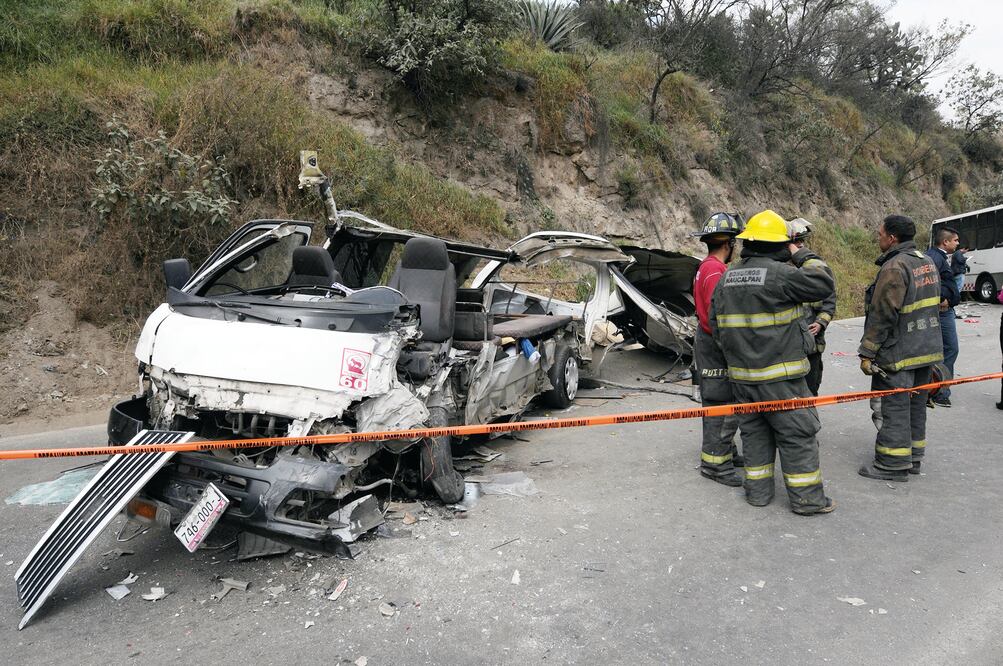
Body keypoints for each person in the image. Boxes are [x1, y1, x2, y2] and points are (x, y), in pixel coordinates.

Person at [710, 209, 836, 515]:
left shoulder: (726, 278)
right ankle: (807, 500)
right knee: (797, 436)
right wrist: (802, 252)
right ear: (781, 243)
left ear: (748, 242)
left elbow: (716, 328)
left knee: (755, 436)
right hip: (783, 381)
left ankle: (758, 493)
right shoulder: (782, 275)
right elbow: (823, 282)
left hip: (742, 381)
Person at [858, 215, 943, 481]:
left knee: (893, 406)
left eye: (880, 234)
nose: (878, 238)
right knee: (916, 404)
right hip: (925, 349)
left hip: (899, 352)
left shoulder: (895, 267)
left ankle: (891, 465)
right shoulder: (925, 261)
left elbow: (882, 314)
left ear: (892, 238)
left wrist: (868, 351)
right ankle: (913, 458)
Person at [691, 212, 744, 487]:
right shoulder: (715, 271)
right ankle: (715, 465)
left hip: (708, 341)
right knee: (720, 403)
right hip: (715, 344)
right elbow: (717, 316)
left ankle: (727, 451)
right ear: (729, 244)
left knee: (719, 400)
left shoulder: (707, 266)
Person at [788, 218, 836, 396]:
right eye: (795, 241)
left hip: (813, 343)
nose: (799, 245)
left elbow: (830, 300)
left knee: (811, 386)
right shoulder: (781, 270)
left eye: (802, 241)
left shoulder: (816, 268)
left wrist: (820, 323)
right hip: (789, 344)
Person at [925, 226, 961, 407]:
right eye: (955, 240)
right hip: (941, 312)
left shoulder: (939, 257)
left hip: (946, 311)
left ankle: (935, 389)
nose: (958, 243)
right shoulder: (933, 257)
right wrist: (941, 298)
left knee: (944, 350)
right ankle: (939, 391)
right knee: (950, 349)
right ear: (945, 242)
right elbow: (927, 281)